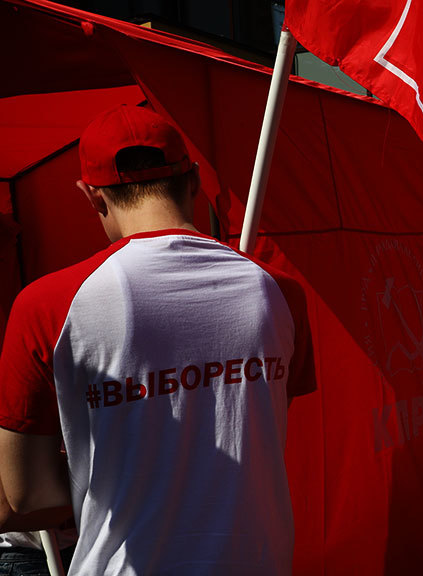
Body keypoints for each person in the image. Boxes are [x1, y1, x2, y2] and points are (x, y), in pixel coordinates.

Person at [0, 105, 315, 575]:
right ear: (194, 181)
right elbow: (259, 430)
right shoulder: (280, 292)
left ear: (92, 196)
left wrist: (120, 473)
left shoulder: (46, 305)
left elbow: (22, 497)